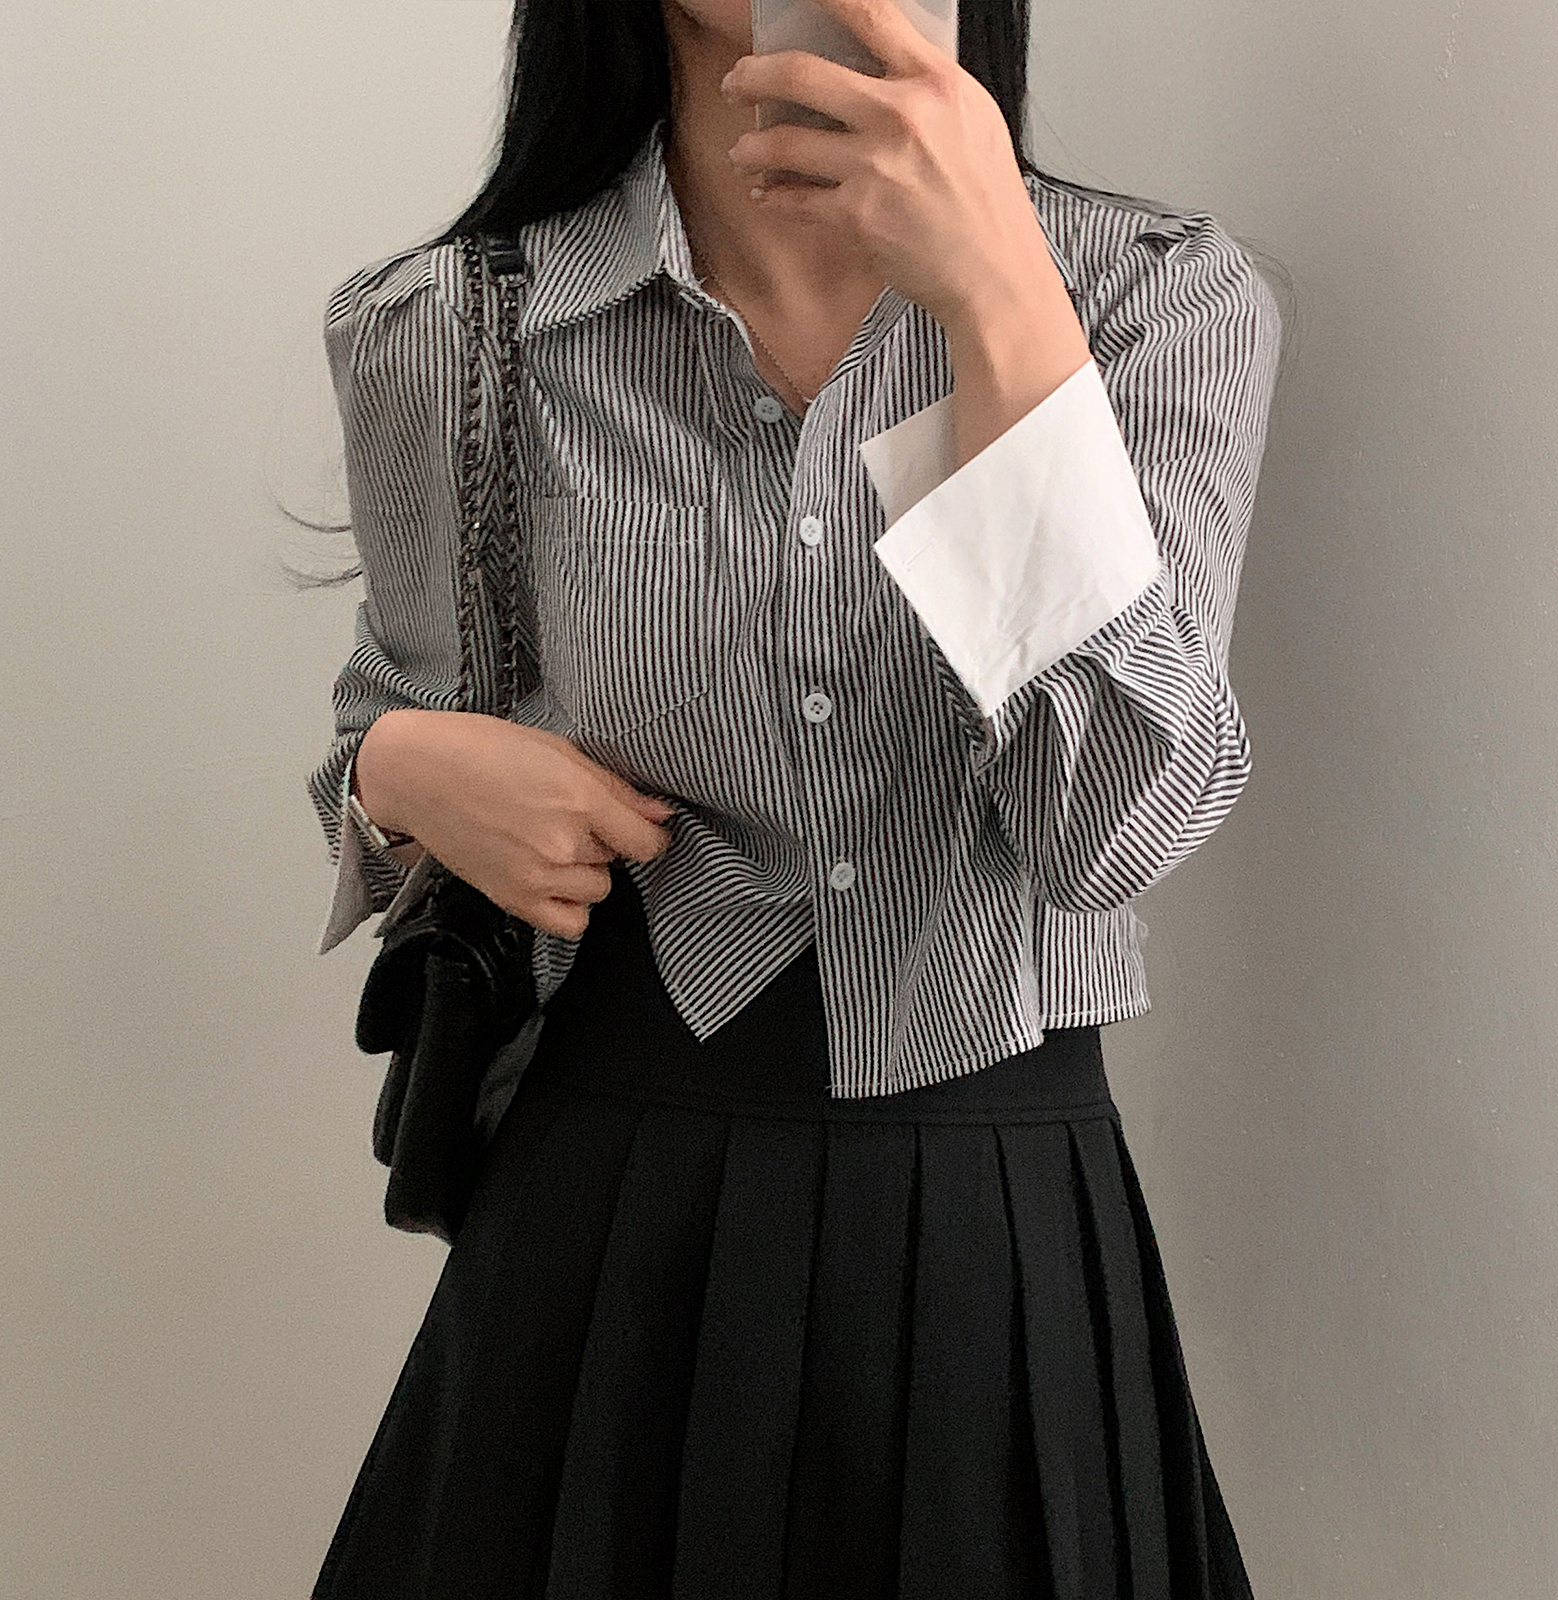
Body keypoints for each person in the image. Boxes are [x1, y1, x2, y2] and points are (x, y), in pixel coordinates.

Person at [304, 0, 1284, 1592]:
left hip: (998, 1229)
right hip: (607, 1235)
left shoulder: (1152, 295)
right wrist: (394, 771)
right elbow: (390, 728)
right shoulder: (453, 329)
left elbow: (1114, 823)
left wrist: (997, 299)